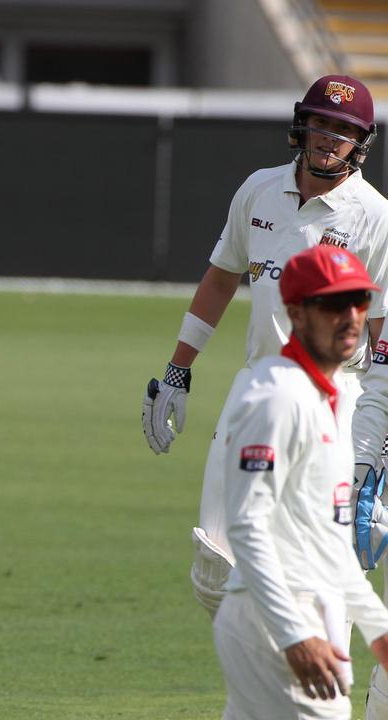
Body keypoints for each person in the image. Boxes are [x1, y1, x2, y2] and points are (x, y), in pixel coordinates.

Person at [141, 74, 388, 616]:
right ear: (302, 125)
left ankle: (315, 691)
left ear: (361, 142)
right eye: (322, 123)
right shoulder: (258, 189)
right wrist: (179, 369)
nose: (329, 137)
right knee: (215, 567)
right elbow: (222, 277)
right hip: (257, 387)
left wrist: (378, 444)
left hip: (334, 401)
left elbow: (383, 334)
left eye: (343, 129)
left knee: (324, 572)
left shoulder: (374, 215)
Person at [214, 244, 388, 720]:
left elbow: (329, 540)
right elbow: (247, 526)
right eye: (332, 304)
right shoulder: (278, 397)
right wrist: (294, 634)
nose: (351, 316)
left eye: (359, 301)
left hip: (303, 613)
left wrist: (377, 628)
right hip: (276, 623)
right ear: (295, 313)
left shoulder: (322, 401)